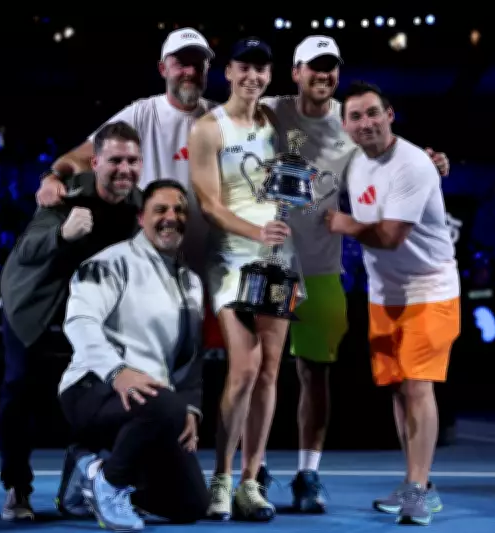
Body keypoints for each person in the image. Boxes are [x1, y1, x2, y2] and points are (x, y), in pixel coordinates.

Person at [255, 36, 450, 514]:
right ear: (295, 71)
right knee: (255, 372)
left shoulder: (352, 123)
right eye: (313, 67)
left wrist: (430, 163)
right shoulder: (264, 110)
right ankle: (248, 472)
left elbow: (394, 162)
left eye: (330, 67)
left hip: (325, 269)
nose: (322, 75)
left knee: (316, 374)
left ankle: (310, 474)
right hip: (268, 263)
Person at [326, 81, 460, 526]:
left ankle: (418, 491)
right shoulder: (353, 161)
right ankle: (418, 483)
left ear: (390, 114)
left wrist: (340, 223)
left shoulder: (413, 164)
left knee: (419, 386)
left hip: (430, 288)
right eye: (356, 117)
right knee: (401, 392)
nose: (365, 123)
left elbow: (388, 236)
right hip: (385, 293)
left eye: (372, 113)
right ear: (345, 126)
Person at [0, 121, 143, 520]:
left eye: (132, 160)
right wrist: (63, 233)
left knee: (102, 390)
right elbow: (26, 251)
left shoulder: (139, 206)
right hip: (34, 306)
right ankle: (17, 488)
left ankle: (84, 480)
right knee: (19, 387)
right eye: (115, 160)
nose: (124, 169)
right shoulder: (66, 195)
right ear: (95, 163)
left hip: (88, 313)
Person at [58, 179, 210, 531]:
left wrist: (189, 407)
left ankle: (87, 470)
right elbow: (79, 322)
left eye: (179, 210)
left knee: (190, 505)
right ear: (141, 217)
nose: (171, 217)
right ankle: (106, 484)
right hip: (92, 389)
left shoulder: (191, 282)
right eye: (161, 210)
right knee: (164, 403)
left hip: (152, 405)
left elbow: (190, 357)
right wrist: (117, 372)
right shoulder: (111, 262)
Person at [188, 38, 287, 522]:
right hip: (232, 254)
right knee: (243, 369)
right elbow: (209, 204)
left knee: (269, 371)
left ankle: (251, 481)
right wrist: (256, 230)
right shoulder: (209, 127)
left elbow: (335, 129)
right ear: (227, 71)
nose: (254, 76)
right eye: (245, 67)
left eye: (262, 69)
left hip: (277, 257)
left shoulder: (278, 123)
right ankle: (221, 478)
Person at [38, 27, 217, 278]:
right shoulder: (141, 113)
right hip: (153, 260)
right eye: (181, 64)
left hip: (209, 259)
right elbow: (81, 157)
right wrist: (52, 177)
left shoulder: (221, 119)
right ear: (163, 69)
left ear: (207, 69)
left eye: (198, 64)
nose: (190, 72)